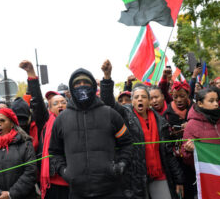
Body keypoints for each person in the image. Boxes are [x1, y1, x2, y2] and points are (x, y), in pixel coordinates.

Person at [100, 60, 184, 199]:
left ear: (149, 101)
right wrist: (107, 77)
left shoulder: (161, 122)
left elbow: (168, 153)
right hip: (135, 178)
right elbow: (108, 102)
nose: (140, 99)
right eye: (137, 97)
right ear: (132, 101)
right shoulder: (126, 115)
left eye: (144, 97)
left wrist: (179, 179)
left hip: (159, 174)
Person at [49, 67, 133, 199]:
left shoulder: (110, 114)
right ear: (71, 88)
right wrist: (65, 172)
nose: (82, 86)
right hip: (77, 193)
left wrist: (121, 165)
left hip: (112, 190)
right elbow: (54, 152)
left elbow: (127, 143)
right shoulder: (61, 120)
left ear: (93, 86)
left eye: (86, 83)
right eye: (77, 83)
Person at [19, 60, 69, 199]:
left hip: (73, 180)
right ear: (50, 108)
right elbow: (37, 102)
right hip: (51, 182)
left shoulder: (74, 121)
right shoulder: (45, 122)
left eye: (63, 102)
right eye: (55, 103)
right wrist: (31, 74)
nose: (60, 105)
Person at [0, 108, 37, 199]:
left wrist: (11, 194)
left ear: (12, 123)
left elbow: (31, 172)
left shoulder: (25, 144)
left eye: (2, 120)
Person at [182, 87, 220, 166]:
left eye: (217, 100)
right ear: (200, 104)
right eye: (211, 101)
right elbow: (187, 160)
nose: (216, 104)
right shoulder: (191, 125)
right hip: (209, 174)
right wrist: (190, 151)